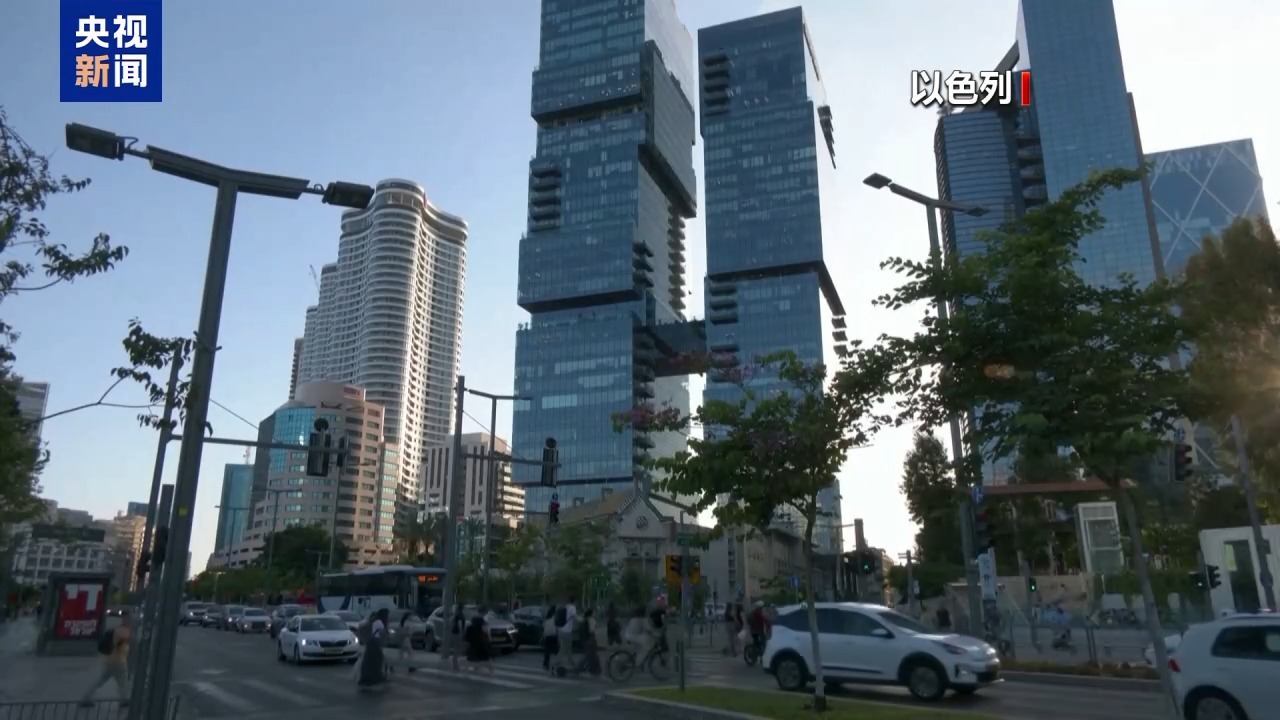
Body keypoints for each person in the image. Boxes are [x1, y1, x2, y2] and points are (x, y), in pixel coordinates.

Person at [80, 616, 131, 707]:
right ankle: (124, 700)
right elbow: (126, 641)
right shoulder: (124, 631)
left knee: (100, 681)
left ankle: (86, 697)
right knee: (122, 683)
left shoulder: (116, 630)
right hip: (119, 661)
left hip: (109, 660)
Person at [358, 608, 390, 689]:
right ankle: (377, 678)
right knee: (377, 662)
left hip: (373, 643)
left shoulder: (376, 622)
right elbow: (381, 634)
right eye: (387, 615)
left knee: (371, 662)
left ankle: (370, 678)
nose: (388, 617)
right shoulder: (379, 623)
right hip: (375, 644)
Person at [464, 609, 495, 674]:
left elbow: (466, 639)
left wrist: (466, 646)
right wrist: (489, 641)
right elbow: (487, 636)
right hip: (482, 646)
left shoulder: (470, 628)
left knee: (472, 658)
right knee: (486, 659)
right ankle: (491, 670)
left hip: (474, 646)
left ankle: (472, 668)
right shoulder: (483, 627)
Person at [555, 595, 577, 674]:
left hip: (561, 630)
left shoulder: (565, 607)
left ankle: (572, 662)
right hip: (567, 631)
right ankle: (557, 662)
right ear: (574, 601)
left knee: (567, 648)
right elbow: (575, 617)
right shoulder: (572, 608)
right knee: (565, 648)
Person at [445, 604, 465, 671]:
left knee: (455, 649)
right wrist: (461, 634)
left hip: (454, 632)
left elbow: (451, 623)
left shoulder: (456, 615)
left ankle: (454, 664)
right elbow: (460, 624)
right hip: (457, 633)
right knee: (457, 649)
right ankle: (455, 665)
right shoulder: (460, 615)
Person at [541, 605, 559, 673]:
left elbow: (544, 626)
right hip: (553, 635)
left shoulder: (547, 618)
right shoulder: (555, 617)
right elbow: (557, 626)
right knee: (555, 651)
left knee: (547, 651)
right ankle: (555, 664)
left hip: (547, 635)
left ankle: (546, 664)